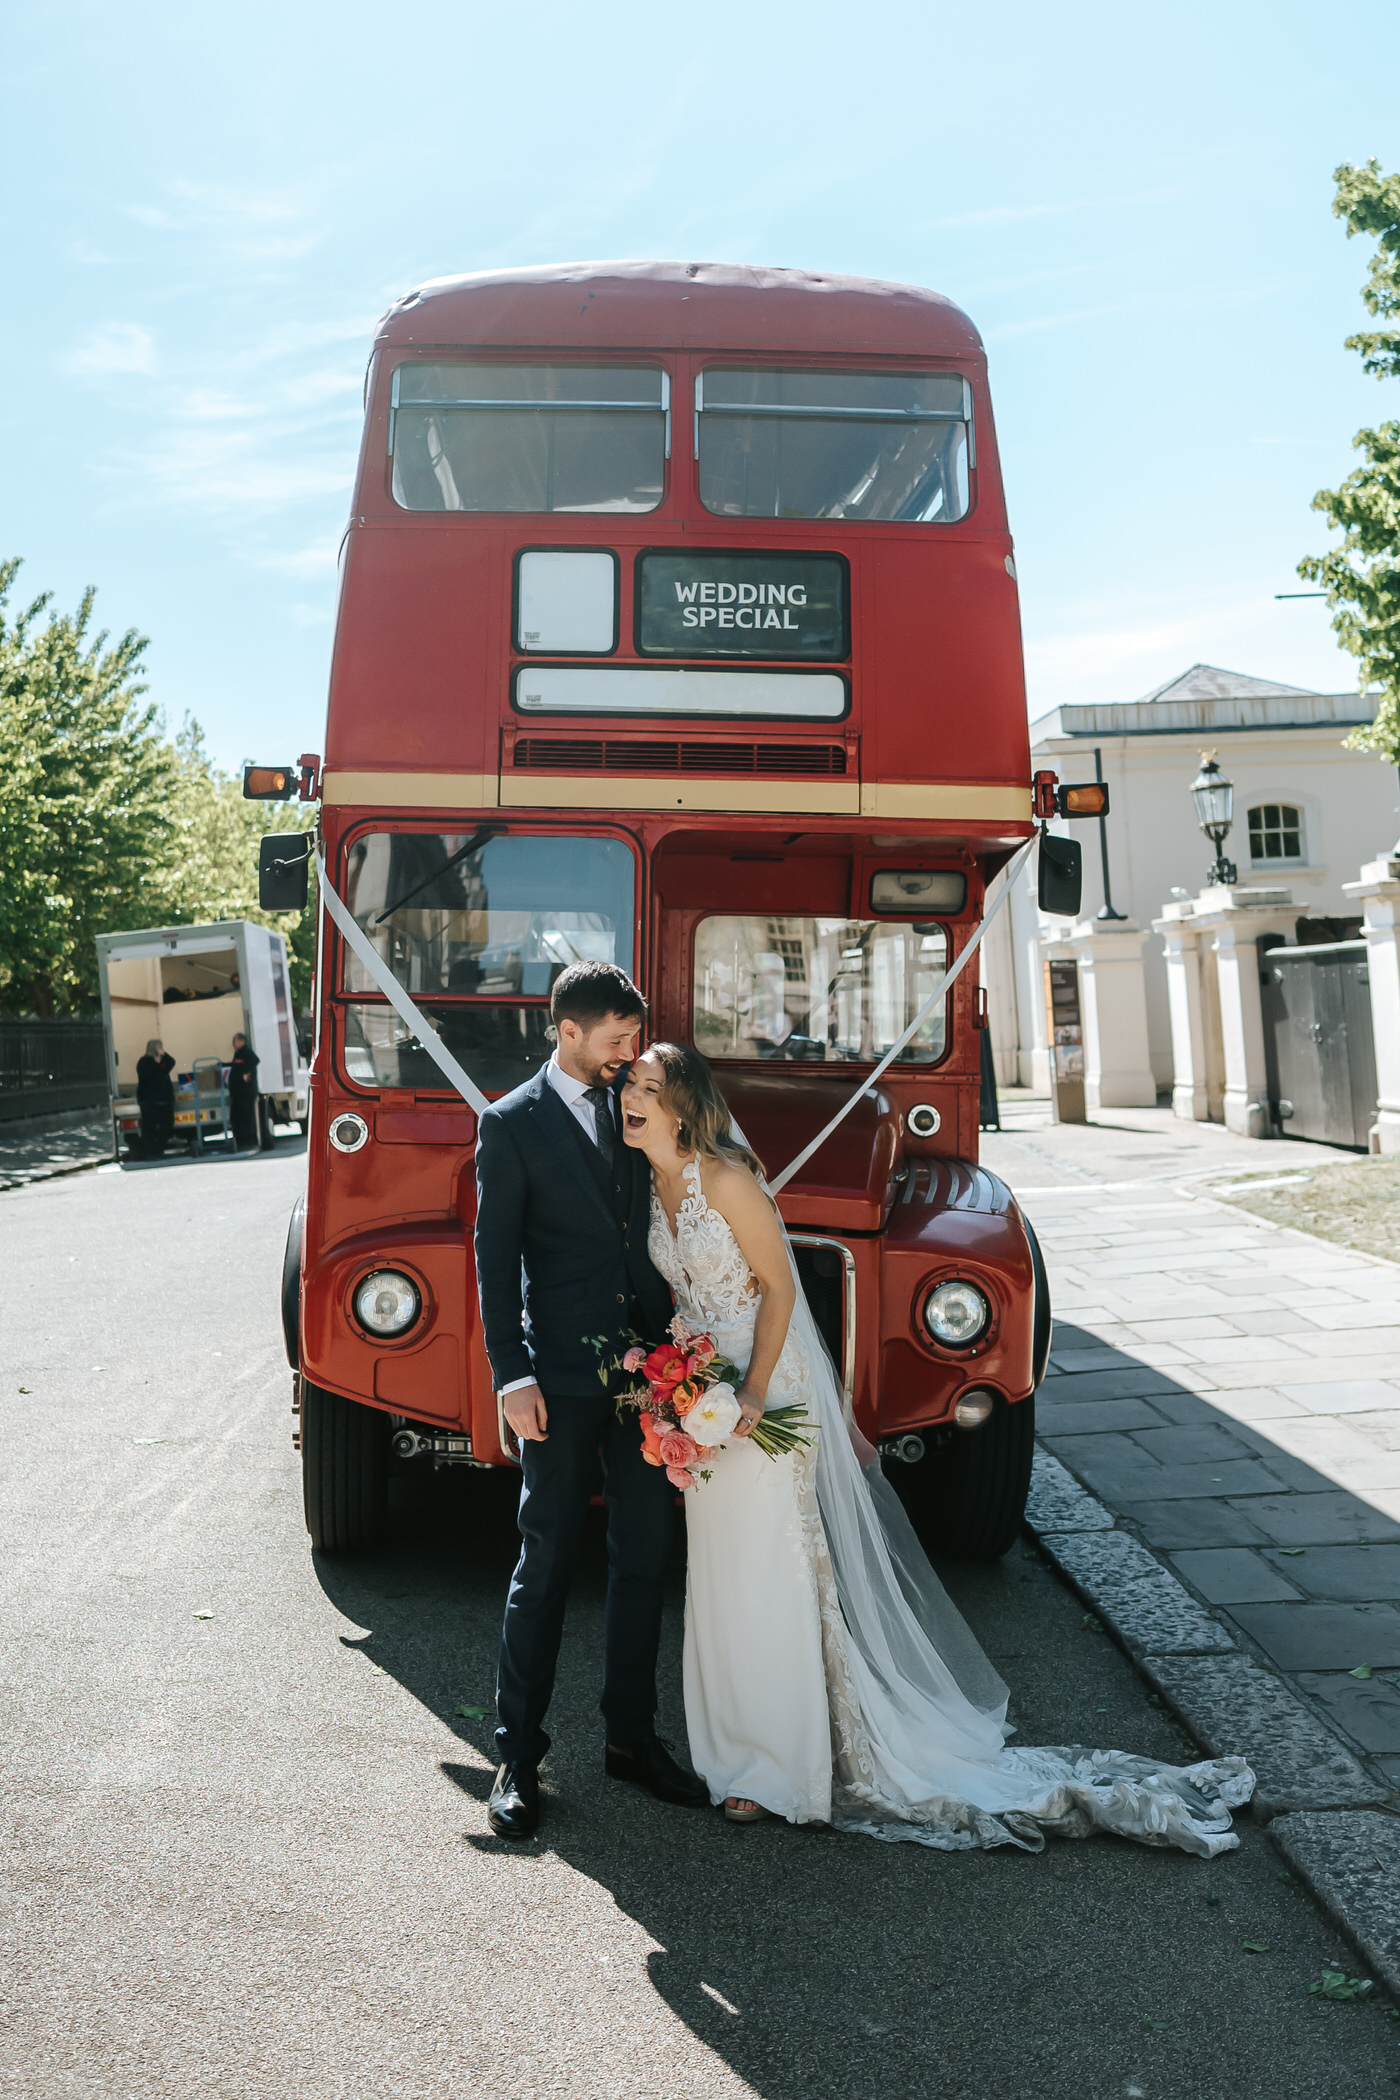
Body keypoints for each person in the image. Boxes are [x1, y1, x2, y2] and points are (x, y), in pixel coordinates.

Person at [619, 1040, 1255, 1853]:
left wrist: (745, 1395)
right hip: (701, 1399)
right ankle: (733, 1751)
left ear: (684, 1104)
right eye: (629, 1085)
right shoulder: (650, 1183)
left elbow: (780, 1288)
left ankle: (781, 1764)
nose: (631, 1098)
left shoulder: (727, 1179)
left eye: (646, 1086)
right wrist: (680, 1384)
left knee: (773, 1569)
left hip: (763, 1394)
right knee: (718, 1573)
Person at [473, 962, 708, 1841]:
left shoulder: (635, 1102)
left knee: (644, 1558)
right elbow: (495, 1260)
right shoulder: (509, 1124)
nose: (629, 1055)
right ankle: (517, 1754)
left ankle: (630, 1739)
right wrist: (512, 1374)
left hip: (648, 1377)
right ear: (568, 1031)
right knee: (544, 1565)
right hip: (558, 1386)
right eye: (616, 1040)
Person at [135, 1039, 176, 1158]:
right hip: (149, 1101)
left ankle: (159, 1148)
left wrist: (163, 1055)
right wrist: (155, 1063)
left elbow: (171, 1063)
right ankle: (149, 1151)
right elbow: (146, 1075)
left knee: (167, 1124)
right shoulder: (144, 1061)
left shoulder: (163, 1061)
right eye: (159, 1047)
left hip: (164, 1100)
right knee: (149, 1126)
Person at [227, 1033, 260, 1151]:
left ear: (242, 1041)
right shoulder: (238, 1053)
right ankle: (240, 1140)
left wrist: (246, 1072)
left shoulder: (246, 1051)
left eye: (235, 1041)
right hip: (237, 1093)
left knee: (246, 1117)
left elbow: (255, 1060)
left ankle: (248, 1141)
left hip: (246, 1092)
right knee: (236, 1117)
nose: (233, 1044)